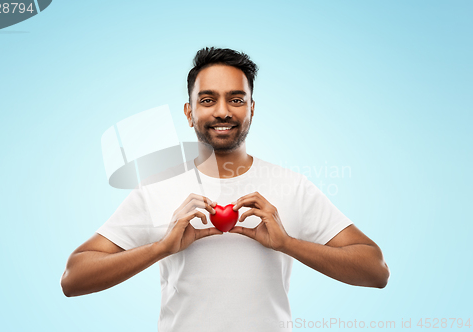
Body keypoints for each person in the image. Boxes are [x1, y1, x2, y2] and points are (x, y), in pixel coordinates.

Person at [60, 47, 390, 332]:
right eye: (208, 99)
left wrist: (287, 243)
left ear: (251, 109)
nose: (222, 111)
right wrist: (162, 247)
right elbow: (74, 278)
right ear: (189, 112)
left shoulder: (291, 186)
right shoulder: (155, 188)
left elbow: (375, 270)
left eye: (236, 99)